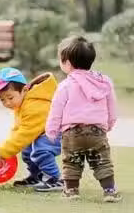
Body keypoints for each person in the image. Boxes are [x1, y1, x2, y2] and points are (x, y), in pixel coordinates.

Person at [45, 36, 120, 202]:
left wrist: (51, 131)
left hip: (72, 133)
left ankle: (71, 191)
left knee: (71, 162)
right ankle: (109, 191)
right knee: (102, 161)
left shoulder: (65, 85)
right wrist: (109, 124)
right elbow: (111, 105)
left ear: (67, 63)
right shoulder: (103, 82)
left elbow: (56, 110)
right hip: (97, 131)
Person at [0, 67, 63, 192]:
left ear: (24, 90)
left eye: (10, 98)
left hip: (54, 132)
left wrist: (5, 150)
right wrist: (5, 145)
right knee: (27, 151)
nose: (7, 103)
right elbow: (17, 130)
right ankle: (37, 176)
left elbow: (25, 134)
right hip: (39, 132)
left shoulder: (34, 105)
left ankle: (55, 179)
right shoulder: (21, 104)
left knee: (41, 151)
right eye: (2, 99)